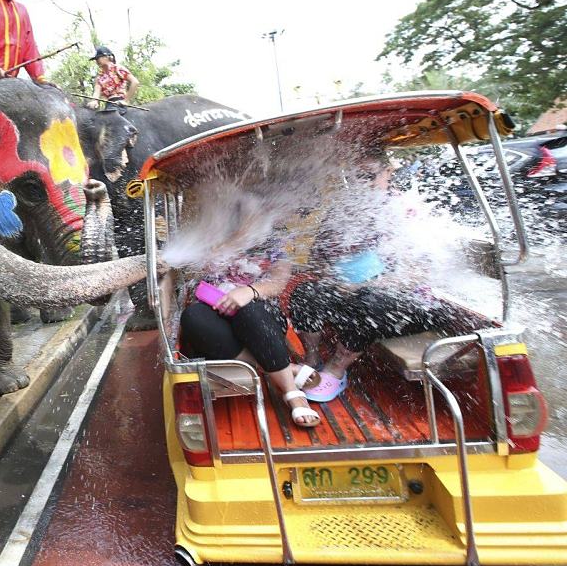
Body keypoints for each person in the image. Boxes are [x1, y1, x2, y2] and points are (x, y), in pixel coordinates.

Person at [288, 152, 451, 402]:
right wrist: (334, 279)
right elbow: (318, 260)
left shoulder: (404, 210)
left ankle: (336, 369)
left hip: (406, 308)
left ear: (389, 172)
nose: (361, 183)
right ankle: (312, 358)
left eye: (368, 176)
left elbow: (416, 275)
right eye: (353, 178)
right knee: (305, 293)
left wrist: (359, 286)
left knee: (370, 299)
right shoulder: (343, 212)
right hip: (355, 296)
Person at [179, 223, 323, 428]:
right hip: (216, 314)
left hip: (260, 318)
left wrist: (248, 292)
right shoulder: (212, 236)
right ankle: (283, 368)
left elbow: (278, 283)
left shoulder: (274, 242)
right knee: (192, 316)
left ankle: (293, 394)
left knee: (250, 311)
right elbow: (192, 270)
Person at [85, 46, 139, 113]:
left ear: (106, 57)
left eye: (98, 58)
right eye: (95, 59)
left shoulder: (117, 69)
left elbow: (135, 82)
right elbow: (97, 92)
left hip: (120, 103)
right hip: (109, 105)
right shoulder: (99, 77)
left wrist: (126, 101)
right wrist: (94, 101)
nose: (97, 61)